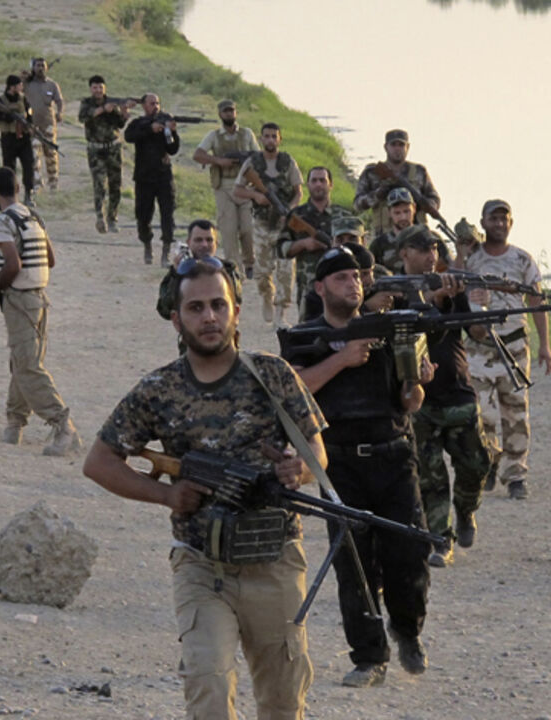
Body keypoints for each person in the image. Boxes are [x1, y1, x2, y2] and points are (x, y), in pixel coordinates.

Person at [83, 260, 326, 720]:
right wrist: (167, 496)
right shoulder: (159, 389)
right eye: (195, 308)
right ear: (177, 319)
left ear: (236, 311)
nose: (209, 317)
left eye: (218, 305)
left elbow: (315, 448)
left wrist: (300, 470)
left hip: (273, 561)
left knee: (282, 702)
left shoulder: (272, 376)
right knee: (209, 689)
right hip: (201, 565)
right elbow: (98, 463)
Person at [282, 247, 433, 688]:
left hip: (393, 454)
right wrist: (342, 358)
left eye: (357, 276)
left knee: (408, 556)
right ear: (320, 288)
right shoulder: (303, 336)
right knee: (353, 563)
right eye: (342, 277)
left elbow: (410, 403)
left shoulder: (387, 332)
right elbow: (293, 389)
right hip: (338, 464)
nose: (354, 283)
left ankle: (407, 631)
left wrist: (416, 380)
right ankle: (369, 656)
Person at [398, 228, 494, 568]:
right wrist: (434, 302)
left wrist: (477, 302)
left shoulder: (452, 286)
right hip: (419, 400)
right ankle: (441, 539)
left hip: (457, 392)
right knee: (430, 476)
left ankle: (466, 511)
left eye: (435, 248)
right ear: (404, 254)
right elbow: (411, 327)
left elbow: (477, 332)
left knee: (476, 465)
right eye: (422, 248)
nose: (430, 255)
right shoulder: (394, 291)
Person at [0, 167, 82, 456]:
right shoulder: (32, 217)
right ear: (18, 188)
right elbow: (50, 258)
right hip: (39, 297)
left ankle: (63, 426)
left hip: (20, 299)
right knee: (22, 361)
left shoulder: (2, 222)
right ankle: (15, 423)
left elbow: (12, 265)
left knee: (27, 366)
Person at [464, 199, 551, 501]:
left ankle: (515, 474)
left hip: (514, 346)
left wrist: (545, 346)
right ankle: (489, 462)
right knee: (480, 415)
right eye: (493, 219)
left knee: (515, 413)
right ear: (484, 222)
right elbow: (452, 289)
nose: (499, 224)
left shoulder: (523, 260)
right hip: (479, 348)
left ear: (511, 223)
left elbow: (537, 303)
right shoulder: (471, 259)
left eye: (504, 219)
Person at [233, 122, 302, 327]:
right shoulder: (252, 163)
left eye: (274, 136)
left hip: (283, 226)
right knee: (262, 272)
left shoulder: (288, 162)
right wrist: (255, 195)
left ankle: (281, 313)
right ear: (261, 139)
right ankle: (266, 297)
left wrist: (289, 209)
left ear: (280, 139)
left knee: (286, 270)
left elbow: (298, 192)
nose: (271, 140)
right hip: (262, 224)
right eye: (267, 136)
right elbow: (237, 191)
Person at [193, 100, 260, 277]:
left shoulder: (246, 134)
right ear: (220, 114)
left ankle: (250, 263)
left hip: (245, 187)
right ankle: (234, 269)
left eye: (232, 111)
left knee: (248, 229)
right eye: (225, 111)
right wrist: (218, 161)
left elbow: (258, 156)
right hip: (223, 187)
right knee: (228, 231)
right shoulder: (214, 136)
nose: (229, 114)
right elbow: (198, 155)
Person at [276, 166, 350, 322]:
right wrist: (304, 244)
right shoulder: (297, 216)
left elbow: (358, 249)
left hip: (341, 287)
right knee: (307, 332)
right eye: (314, 180)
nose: (318, 184)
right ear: (308, 185)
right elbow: (281, 249)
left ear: (331, 185)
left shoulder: (344, 216)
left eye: (322, 180)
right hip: (308, 288)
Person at [124, 93, 180, 266]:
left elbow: (173, 149)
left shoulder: (166, 122)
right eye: (151, 103)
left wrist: (172, 131)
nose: (155, 106)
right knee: (143, 215)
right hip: (144, 176)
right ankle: (147, 245)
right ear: (144, 105)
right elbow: (129, 136)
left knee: (167, 214)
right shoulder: (138, 123)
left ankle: (166, 251)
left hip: (163, 176)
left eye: (157, 103)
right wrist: (150, 129)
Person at [353, 129, 440, 236]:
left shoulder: (419, 172)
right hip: (382, 236)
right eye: (393, 145)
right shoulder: (372, 173)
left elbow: (434, 199)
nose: (397, 149)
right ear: (386, 147)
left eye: (401, 145)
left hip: (416, 237)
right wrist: (378, 194)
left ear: (408, 147)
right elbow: (357, 205)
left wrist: (422, 204)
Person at [155, 219, 244, 322]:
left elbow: (236, 300)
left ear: (216, 243)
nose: (204, 245)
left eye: (209, 240)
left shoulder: (227, 269)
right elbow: (165, 311)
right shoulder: (180, 271)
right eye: (198, 240)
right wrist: (177, 275)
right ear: (189, 242)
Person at [77, 75, 132, 234]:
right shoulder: (86, 103)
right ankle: (100, 217)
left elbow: (119, 124)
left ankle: (112, 218)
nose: (98, 90)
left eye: (101, 87)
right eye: (95, 87)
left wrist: (124, 113)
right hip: (96, 149)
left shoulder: (113, 102)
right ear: (90, 89)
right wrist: (102, 110)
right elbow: (83, 117)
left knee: (115, 185)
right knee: (99, 184)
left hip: (113, 148)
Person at [0, 75, 37, 207]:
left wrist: (29, 125)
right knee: (9, 169)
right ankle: (9, 196)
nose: (21, 87)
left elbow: (30, 116)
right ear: (12, 87)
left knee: (29, 166)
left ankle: (28, 194)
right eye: (19, 85)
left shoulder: (24, 100)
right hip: (8, 139)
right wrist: (4, 117)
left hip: (23, 139)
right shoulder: (0, 101)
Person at [23, 58, 64, 192]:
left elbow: (59, 101)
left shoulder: (52, 85)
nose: (41, 68)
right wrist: (26, 76)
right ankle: (37, 184)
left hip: (48, 124)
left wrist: (59, 113)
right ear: (33, 67)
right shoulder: (27, 84)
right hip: (32, 125)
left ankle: (53, 183)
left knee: (51, 154)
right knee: (34, 155)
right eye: (38, 65)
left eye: (43, 65)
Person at [368, 187, 419, 274]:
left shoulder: (429, 239)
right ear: (389, 213)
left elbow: (448, 267)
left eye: (406, 211)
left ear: (414, 208)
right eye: (397, 213)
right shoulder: (379, 245)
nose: (403, 217)